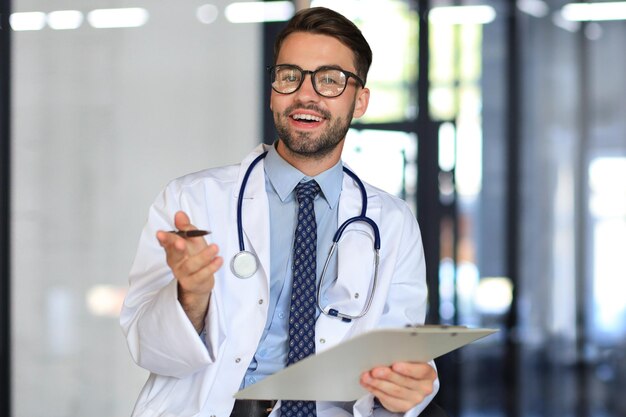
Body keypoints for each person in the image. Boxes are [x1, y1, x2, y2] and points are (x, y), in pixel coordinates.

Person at [121, 6, 439, 417]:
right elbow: (151, 351)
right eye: (290, 76)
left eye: (330, 80)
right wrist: (191, 296)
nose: (306, 94)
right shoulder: (191, 201)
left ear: (359, 101)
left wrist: (409, 388)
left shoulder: (392, 224)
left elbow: (403, 354)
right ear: (273, 90)